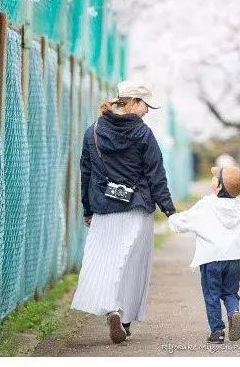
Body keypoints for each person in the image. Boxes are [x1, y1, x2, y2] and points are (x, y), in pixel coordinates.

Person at [71, 80, 176, 344]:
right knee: (132, 265)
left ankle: (112, 310)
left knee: (105, 261)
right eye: (145, 105)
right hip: (136, 208)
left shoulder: (92, 131)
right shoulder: (143, 134)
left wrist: (87, 207)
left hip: (104, 208)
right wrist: (169, 210)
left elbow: (86, 172)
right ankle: (124, 318)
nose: (147, 111)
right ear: (132, 102)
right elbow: (156, 175)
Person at [168, 164, 240, 344]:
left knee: (212, 295)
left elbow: (182, 223)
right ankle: (234, 312)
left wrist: (170, 216)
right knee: (231, 292)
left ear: (218, 186)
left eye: (216, 177)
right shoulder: (239, 204)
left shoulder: (206, 204)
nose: (213, 178)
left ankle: (217, 331)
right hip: (233, 258)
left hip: (211, 259)